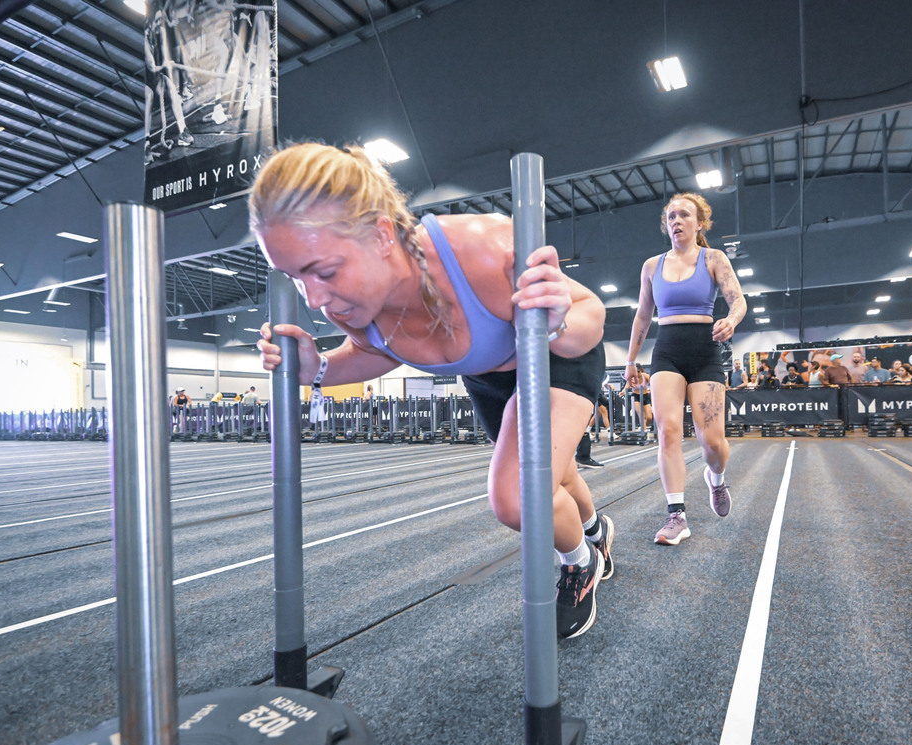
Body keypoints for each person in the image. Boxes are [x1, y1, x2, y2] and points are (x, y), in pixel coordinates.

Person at [251, 142, 614, 640]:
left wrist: (558, 319)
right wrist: (318, 367)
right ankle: (597, 530)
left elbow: (591, 315)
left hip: (557, 355)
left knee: (519, 496)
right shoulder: (356, 307)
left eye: (325, 272)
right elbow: (376, 353)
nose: (314, 300)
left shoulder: (480, 248)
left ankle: (579, 561)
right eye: (296, 278)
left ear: (381, 235)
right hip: (488, 375)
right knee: (557, 472)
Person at [623, 192, 746, 546]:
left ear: (699, 223)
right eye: (671, 216)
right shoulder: (652, 266)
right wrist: (632, 360)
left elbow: (737, 299)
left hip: (705, 351)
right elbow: (643, 315)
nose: (675, 221)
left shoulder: (714, 258)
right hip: (667, 353)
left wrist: (731, 320)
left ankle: (716, 479)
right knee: (669, 430)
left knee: (712, 442)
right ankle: (676, 515)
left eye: (683, 215)